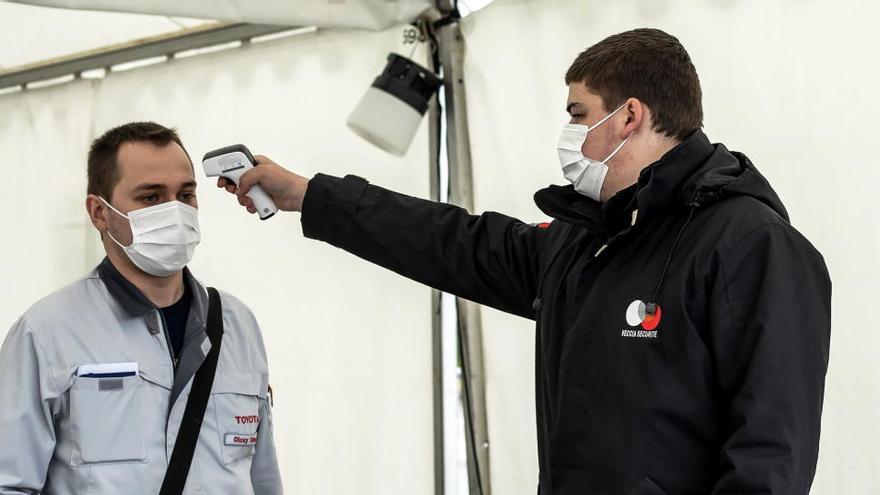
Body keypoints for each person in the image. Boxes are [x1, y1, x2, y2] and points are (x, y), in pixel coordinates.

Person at [222, 28, 831, 494]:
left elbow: (771, 452)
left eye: (578, 114)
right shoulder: (585, 239)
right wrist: (312, 197)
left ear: (631, 116)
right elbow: (453, 242)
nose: (568, 133)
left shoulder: (749, 245)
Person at [0, 122, 282, 494]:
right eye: (151, 197)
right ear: (99, 213)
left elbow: (262, 478)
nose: (175, 212)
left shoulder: (237, 322)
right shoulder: (46, 332)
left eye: (186, 194)